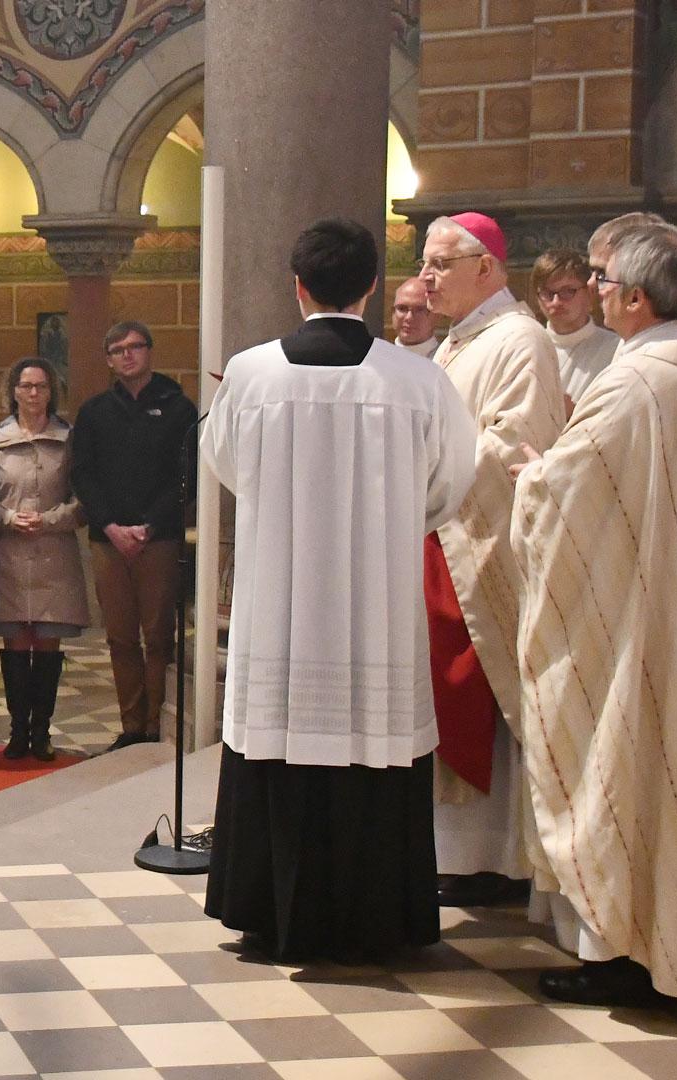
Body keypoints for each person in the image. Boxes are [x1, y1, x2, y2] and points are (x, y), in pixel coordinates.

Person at [202, 218, 477, 965]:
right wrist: (389, 527)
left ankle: (269, 912)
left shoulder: (252, 374)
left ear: (298, 286)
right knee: (373, 748)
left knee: (278, 743)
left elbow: (225, 464)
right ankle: (376, 919)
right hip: (376, 608)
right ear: (372, 288)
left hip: (278, 602)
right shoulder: (419, 379)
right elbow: (451, 482)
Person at [512, 218, 677, 1006]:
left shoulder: (635, 382)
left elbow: (563, 495)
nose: (602, 295)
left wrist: (526, 472)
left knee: (626, 757)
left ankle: (619, 953)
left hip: (638, 623)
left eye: (608, 285)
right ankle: (667, 941)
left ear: (638, 299)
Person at [416, 211, 566, 909]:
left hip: (487, 547)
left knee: (492, 692)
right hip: (443, 539)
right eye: (426, 262)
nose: (427, 276)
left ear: (488, 267)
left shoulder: (521, 340)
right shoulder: (455, 343)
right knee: (450, 695)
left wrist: (424, 474)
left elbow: (517, 443)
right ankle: (456, 852)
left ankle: (497, 860)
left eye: (442, 263)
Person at [70, 319, 197, 751]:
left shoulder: (179, 408)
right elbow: (83, 475)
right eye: (118, 349)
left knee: (159, 635)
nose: (128, 354)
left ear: (149, 351)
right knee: (120, 636)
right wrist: (109, 525)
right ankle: (131, 726)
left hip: (157, 538)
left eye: (135, 346)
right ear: (108, 360)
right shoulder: (94, 412)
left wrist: (148, 526)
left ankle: (156, 721)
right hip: (109, 540)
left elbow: (186, 476)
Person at [0, 359, 89, 760]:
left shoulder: (69, 439)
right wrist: (7, 517)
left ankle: (41, 732)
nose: (34, 394)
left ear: (50, 392)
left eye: (41, 386)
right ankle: (17, 731)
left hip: (53, 553)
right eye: (26, 386)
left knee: (46, 643)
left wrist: (51, 519)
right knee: (16, 640)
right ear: (14, 391)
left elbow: (84, 500)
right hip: (7, 555)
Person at [533, 248, 620, 412]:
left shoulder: (615, 349)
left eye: (568, 291)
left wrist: (572, 411)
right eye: (547, 293)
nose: (556, 301)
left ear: (589, 292)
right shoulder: (528, 345)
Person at [391, 276, 441, 358]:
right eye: (402, 308)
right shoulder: (375, 362)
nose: (408, 317)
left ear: (437, 315)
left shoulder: (448, 364)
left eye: (419, 310)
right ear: (393, 313)